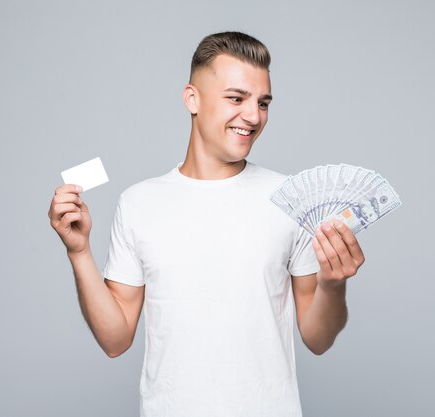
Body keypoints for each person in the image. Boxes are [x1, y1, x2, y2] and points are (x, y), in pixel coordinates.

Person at [48, 31, 365, 417]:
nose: (253, 116)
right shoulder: (139, 203)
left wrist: (333, 286)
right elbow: (115, 340)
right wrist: (79, 252)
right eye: (236, 98)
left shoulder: (289, 198)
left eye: (263, 102)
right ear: (192, 99)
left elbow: (318, 340)